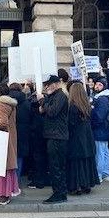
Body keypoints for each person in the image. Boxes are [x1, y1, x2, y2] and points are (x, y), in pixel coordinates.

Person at [38, 75, 69, 204]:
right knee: (55, 165)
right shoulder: (53, 96)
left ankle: (59, 194)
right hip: (53, 134)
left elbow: (52, 112)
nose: (46, 87)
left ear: (55, 84)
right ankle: (60, 192)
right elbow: (44, 111)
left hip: (57, 136)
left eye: (48, 85)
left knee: (56, 166)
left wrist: (43, 101)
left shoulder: (60, 96)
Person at [66, 82, 99, 195]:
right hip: (87, 136)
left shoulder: (72, 107)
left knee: (76, 163)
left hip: (76, 137)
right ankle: (87, 184)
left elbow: (71, 123)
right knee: (86, 161)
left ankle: (77, 185)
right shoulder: (87, 105)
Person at [91, 77, 109, 183]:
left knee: (100, 152)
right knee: (104, 151)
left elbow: (99, 116)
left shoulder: (102, 98)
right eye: (97, 84)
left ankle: (99, 175)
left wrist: (93, 124)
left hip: (100, 129)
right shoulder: (104, 97)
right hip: (104, 129)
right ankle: (106, 173)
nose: (97, 86)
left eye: (100, 85)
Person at [9, 82, 31, 184]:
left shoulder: (7, 101)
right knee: (19, 156)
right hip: (23, 130)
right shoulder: (26, 101)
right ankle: (16, 181)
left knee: (10, 155)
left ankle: (9, 182)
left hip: (10, 130)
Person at [27, 81, 48, 190]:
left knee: (38, 157)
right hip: (43, 133)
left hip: (37, 134)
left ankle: (39, 180)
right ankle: (41, 178)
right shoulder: (47, 101)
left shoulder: (34, 103)